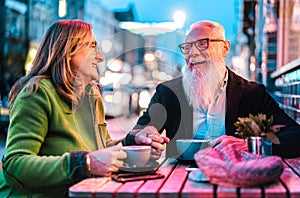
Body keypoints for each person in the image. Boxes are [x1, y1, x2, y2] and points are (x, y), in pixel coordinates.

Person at [0, 20, 169, 197]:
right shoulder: (38, 93)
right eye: (92, 47)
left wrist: (133, 143)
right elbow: (14, 165)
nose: (100, 57)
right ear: (68, 51)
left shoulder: (91, 95)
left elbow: (101, 148)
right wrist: (84, 164)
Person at [133, 20, 300, 158]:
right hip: (178, 179)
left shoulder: (252, 93)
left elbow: (296, 137)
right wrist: (143, 136)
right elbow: (133, 137)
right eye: (188, 47)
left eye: (202, 44)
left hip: (235, 175)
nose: (193, 53)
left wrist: (250, 145)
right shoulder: (168, 92)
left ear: (225, 48)